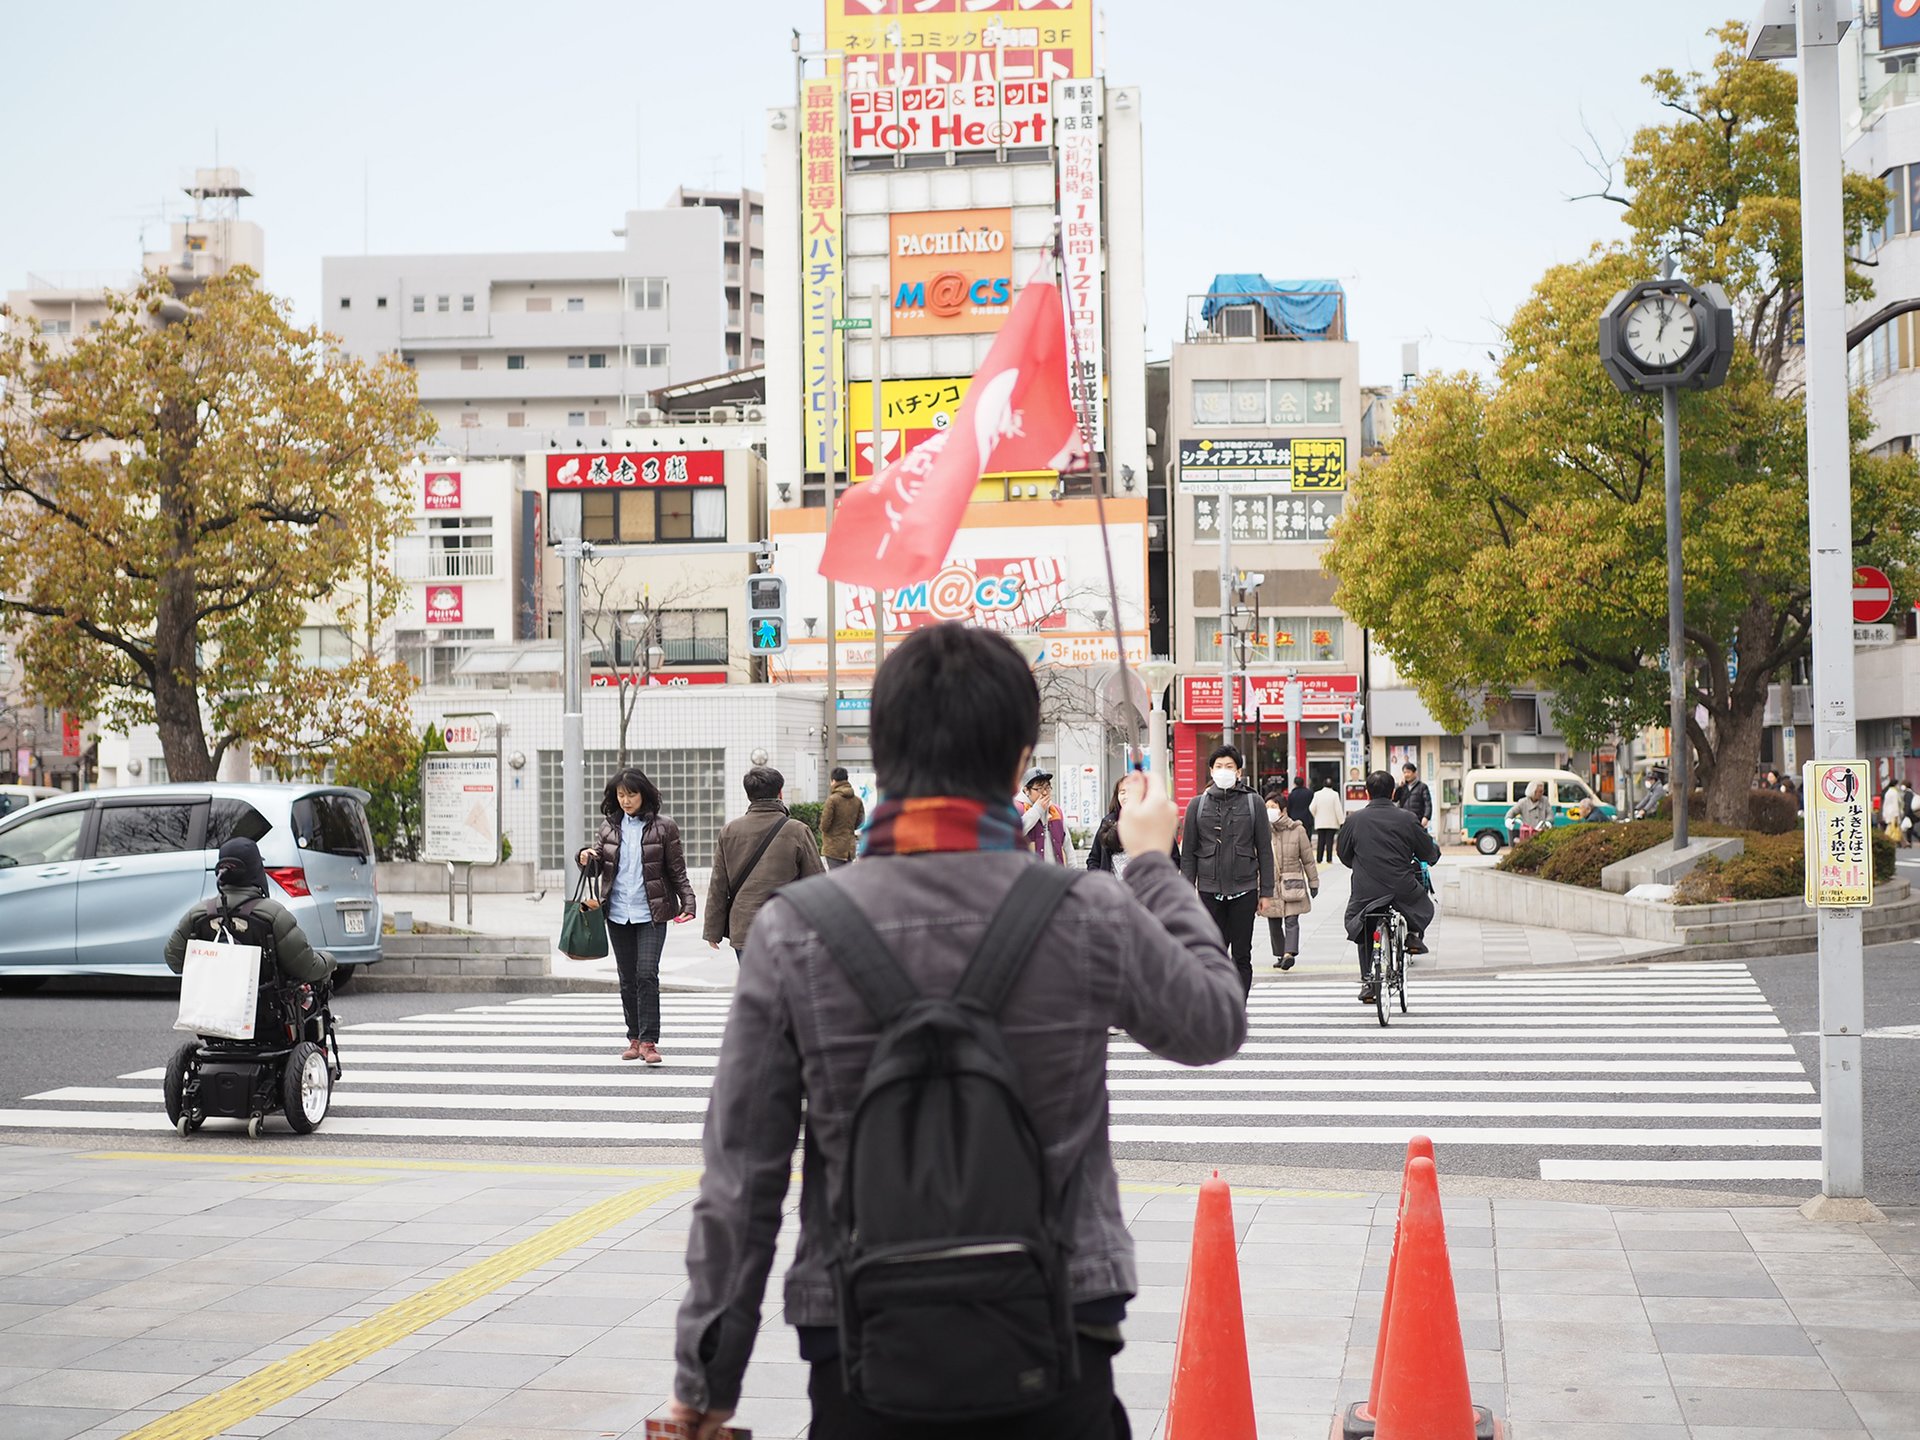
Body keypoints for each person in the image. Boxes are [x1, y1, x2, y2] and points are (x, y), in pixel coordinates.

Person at [666, 622, 1246, 1440]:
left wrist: (707, 1376)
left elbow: (742, 1178)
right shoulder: (1084, 912)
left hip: (861, 1340)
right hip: (1058, 1325)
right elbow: (1213, 1020)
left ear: (882, 752)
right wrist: (1151, 864)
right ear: (1018, 760)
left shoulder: (798, 932)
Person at [578, 766, 697, 1065]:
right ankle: (633, 1038)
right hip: (617, 913)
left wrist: (689, 902)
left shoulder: (664, 827)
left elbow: (676, 870)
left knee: (647, 974)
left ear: (644, 794)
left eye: (631, 794)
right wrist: (585, 858)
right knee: (627, 978)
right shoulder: (607, 828)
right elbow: (598, 868)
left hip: (651, 913)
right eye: (621, 795)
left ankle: (649, 1041)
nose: (626, 800)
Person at [164, 838, 335, 986]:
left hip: (212, 1012)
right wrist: (329, 960)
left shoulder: (199, 913)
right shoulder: (273, 914)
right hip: (266, 1016)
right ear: (256, 868)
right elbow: (305, 967)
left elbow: (174, 960)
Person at [1338, 770, 1443, 1004]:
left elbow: (1343, 855)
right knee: (1419, 902)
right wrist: (1431, 855)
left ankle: (1368, 981)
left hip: (1366, 890)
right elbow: (1428, 851)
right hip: (1401, 887)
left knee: (1364, 926)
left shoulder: (1354, 820)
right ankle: (1413, 937)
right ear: (1393, 792)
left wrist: (1360, 864)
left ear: (1367, 792)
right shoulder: (1406, 818)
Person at [1181, 743, 1274, 997]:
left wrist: (1266, 892)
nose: (1224, 771)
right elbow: (1188, 854)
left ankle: (1238, 1006)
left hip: (1245, 890)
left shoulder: (1254, 803)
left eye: (1229, 767)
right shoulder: (1196, 806)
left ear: (1239, 772)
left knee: (1242, 955)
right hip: (1209, 892)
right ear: (1211, 771)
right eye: (1219, 766)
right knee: (1212, 954)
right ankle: (1217, 1005)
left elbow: (1264, 850)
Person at [705, 765, 824, 955]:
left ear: (749, 795)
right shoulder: (797, 830)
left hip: (744, 927)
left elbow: (718, 884)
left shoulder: (729, 831)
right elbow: (816, 882)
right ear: (780, 793)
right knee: (787, 983)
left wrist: (713, 930)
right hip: (786, 924)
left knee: (754, 983)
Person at [1261, 780, 1318, 971]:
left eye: (1273, 806)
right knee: (1274, 921)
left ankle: (1289, 953)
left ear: (1283, 809)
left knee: (1292, 919)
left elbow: (1308, 859)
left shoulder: (1297, 829)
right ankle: (1280, 954)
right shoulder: (1261, 832)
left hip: (1292, 880)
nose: (1269, 810)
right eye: (1267, 806)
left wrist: (1313, 882)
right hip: (1270, 882)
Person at [1016, 766, 1070, 864]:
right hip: (1031, 875)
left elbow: (1068, 846)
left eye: (1047, 787)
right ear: (1026, 790)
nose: (1045, 793)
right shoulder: (1018, 808)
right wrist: (1037, 810)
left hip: (1057, 874)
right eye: (1039, 789)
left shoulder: (1055, 810)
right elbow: (1017, 831)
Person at [820, 766, 865, 869]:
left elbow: (824, 825)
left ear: (833, 781)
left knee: (835, 880)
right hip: (849, 848)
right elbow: (860, 821)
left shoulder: (832, 800)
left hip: (833, 848)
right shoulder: (857, 800)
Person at [1309, 777, 1345, 864]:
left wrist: (1316, 816)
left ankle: (1319, 859)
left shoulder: (1317, 794)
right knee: (1330, 841)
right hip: (1332, 822)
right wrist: (1341, 821)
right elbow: (1338, 809)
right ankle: (1329, 859)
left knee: (1320, 840)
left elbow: (1311, 807)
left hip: (1320, 822)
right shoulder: (1335, 794)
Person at [1396, 762, 1434, 833]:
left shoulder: (1422, 787)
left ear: (1415, 773)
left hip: (1418, 821)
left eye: (1408, 772)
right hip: (1404, 821)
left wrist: (1426, 817)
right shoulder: (1402, 787)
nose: (1406, 775)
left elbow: (1428, 803)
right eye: (1404, 772)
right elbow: (1394, 799)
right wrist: (1399, 787)